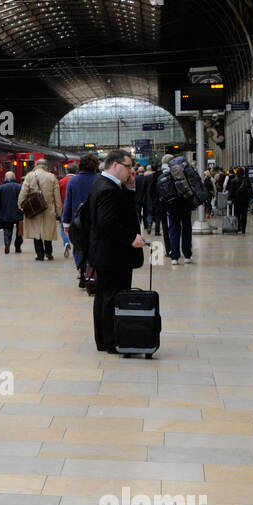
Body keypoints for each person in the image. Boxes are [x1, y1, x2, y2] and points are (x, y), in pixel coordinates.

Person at [88, 150, 146, 353]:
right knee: (111, 296)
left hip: (106, 253)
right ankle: (111, 341)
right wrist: (131, 238)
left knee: (104, 295)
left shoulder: (103, 184)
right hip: (113, 254)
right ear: (115, 165)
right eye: (128, 166)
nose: (131, 171)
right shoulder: (108, 189)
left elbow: (118, 212)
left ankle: (103, 340)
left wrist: (129, 191)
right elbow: (108, 222)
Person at [61, 154, 101, 289]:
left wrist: (66, 223)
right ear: (96, 166)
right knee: (94, 247)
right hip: (97, 221)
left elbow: (68, 204)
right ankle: (93, 273)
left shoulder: (73, 181)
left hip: (78, 222)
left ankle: (82, 272)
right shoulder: (100, 180)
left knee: (79, 247)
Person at [156, 155, 197, 265]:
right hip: (185, 205)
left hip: (171, 207)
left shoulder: (163, 175)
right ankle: (187, 255)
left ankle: (174, 257)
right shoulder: (182, 172)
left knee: (173, 231)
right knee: (186, 229)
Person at [18, 157, 60, 260]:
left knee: (36, 232)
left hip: (34, 208)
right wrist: (58, 210)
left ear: (36, 165)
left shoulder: (29, 176)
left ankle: (39, 254)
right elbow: (57, 196)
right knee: (47, 231)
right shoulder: (52, 177)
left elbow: (23, 193)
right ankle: (49, 252)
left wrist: (21, 205)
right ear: (46, 166)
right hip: (48, 208)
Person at [0, 170, 23, 254]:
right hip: (19, 213)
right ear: (14, 178)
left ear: (5, 178)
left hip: (5, 213)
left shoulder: (0, 188)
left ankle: (7, 244)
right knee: (20, 231)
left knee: (7, 230)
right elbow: (23, 199)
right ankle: (18, 247)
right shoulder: (19, 186)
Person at [228, 169, 253, 233]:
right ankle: (243, 229)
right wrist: (252, 197)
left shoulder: (233, 181)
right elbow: (251, 189)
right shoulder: (247, 180)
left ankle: (238, 227)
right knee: (244, 215)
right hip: (245, 200)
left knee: (237, 214)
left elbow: (232, 191)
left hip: (236, 200)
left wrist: (229, 199)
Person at [57, 165, 73, 257]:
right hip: (76, 208)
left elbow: (58, 195)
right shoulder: (78, 180)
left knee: (64, 228)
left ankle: (66, 242)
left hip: (64, 208)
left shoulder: (61, 181)